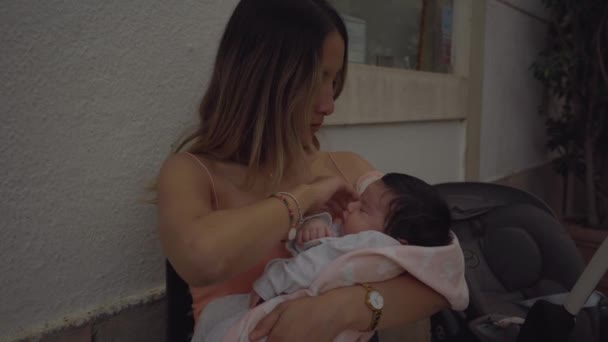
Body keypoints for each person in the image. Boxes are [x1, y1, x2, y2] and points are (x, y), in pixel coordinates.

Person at [156, 0, 452, 340]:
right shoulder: (191, 173)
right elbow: (201, 258)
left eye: (335, 79)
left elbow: (442, 275)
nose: (329, 104)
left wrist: (335, 310)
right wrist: (302, 197)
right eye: (316, 79)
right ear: (261, 77)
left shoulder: (347, 166)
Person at [252, 172, 453, 304]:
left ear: (396, 241)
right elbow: (322, 247)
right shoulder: (369, 238)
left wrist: (268, 285)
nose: (350, 206)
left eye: (362, 208)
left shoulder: (373, 243)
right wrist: (315, 226)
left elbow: (308, 264)